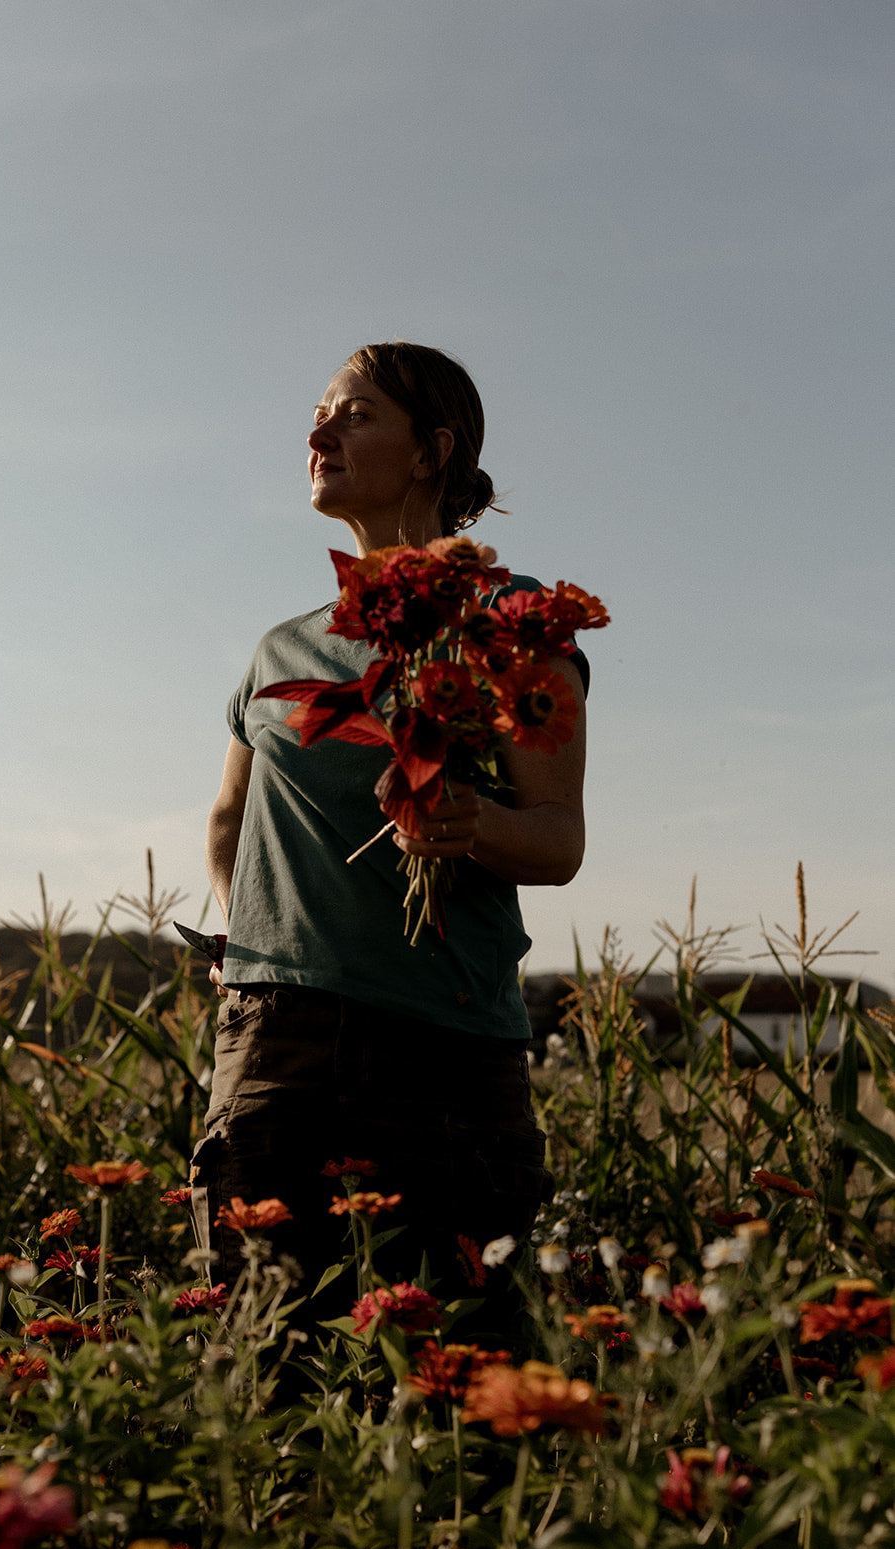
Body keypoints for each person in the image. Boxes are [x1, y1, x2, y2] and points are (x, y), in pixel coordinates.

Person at [190, 342, 588, 1336]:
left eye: (355, 413)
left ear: (430, 452)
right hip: (276, 1040)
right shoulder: (281, 649)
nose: (319, 432)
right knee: (267, 1353)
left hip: (443, 1047)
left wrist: (470, 824)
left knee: (457, 1362)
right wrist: (240, 938)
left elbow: (556, 839)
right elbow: (228, 820)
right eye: (318, 414)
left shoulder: (511, 620)